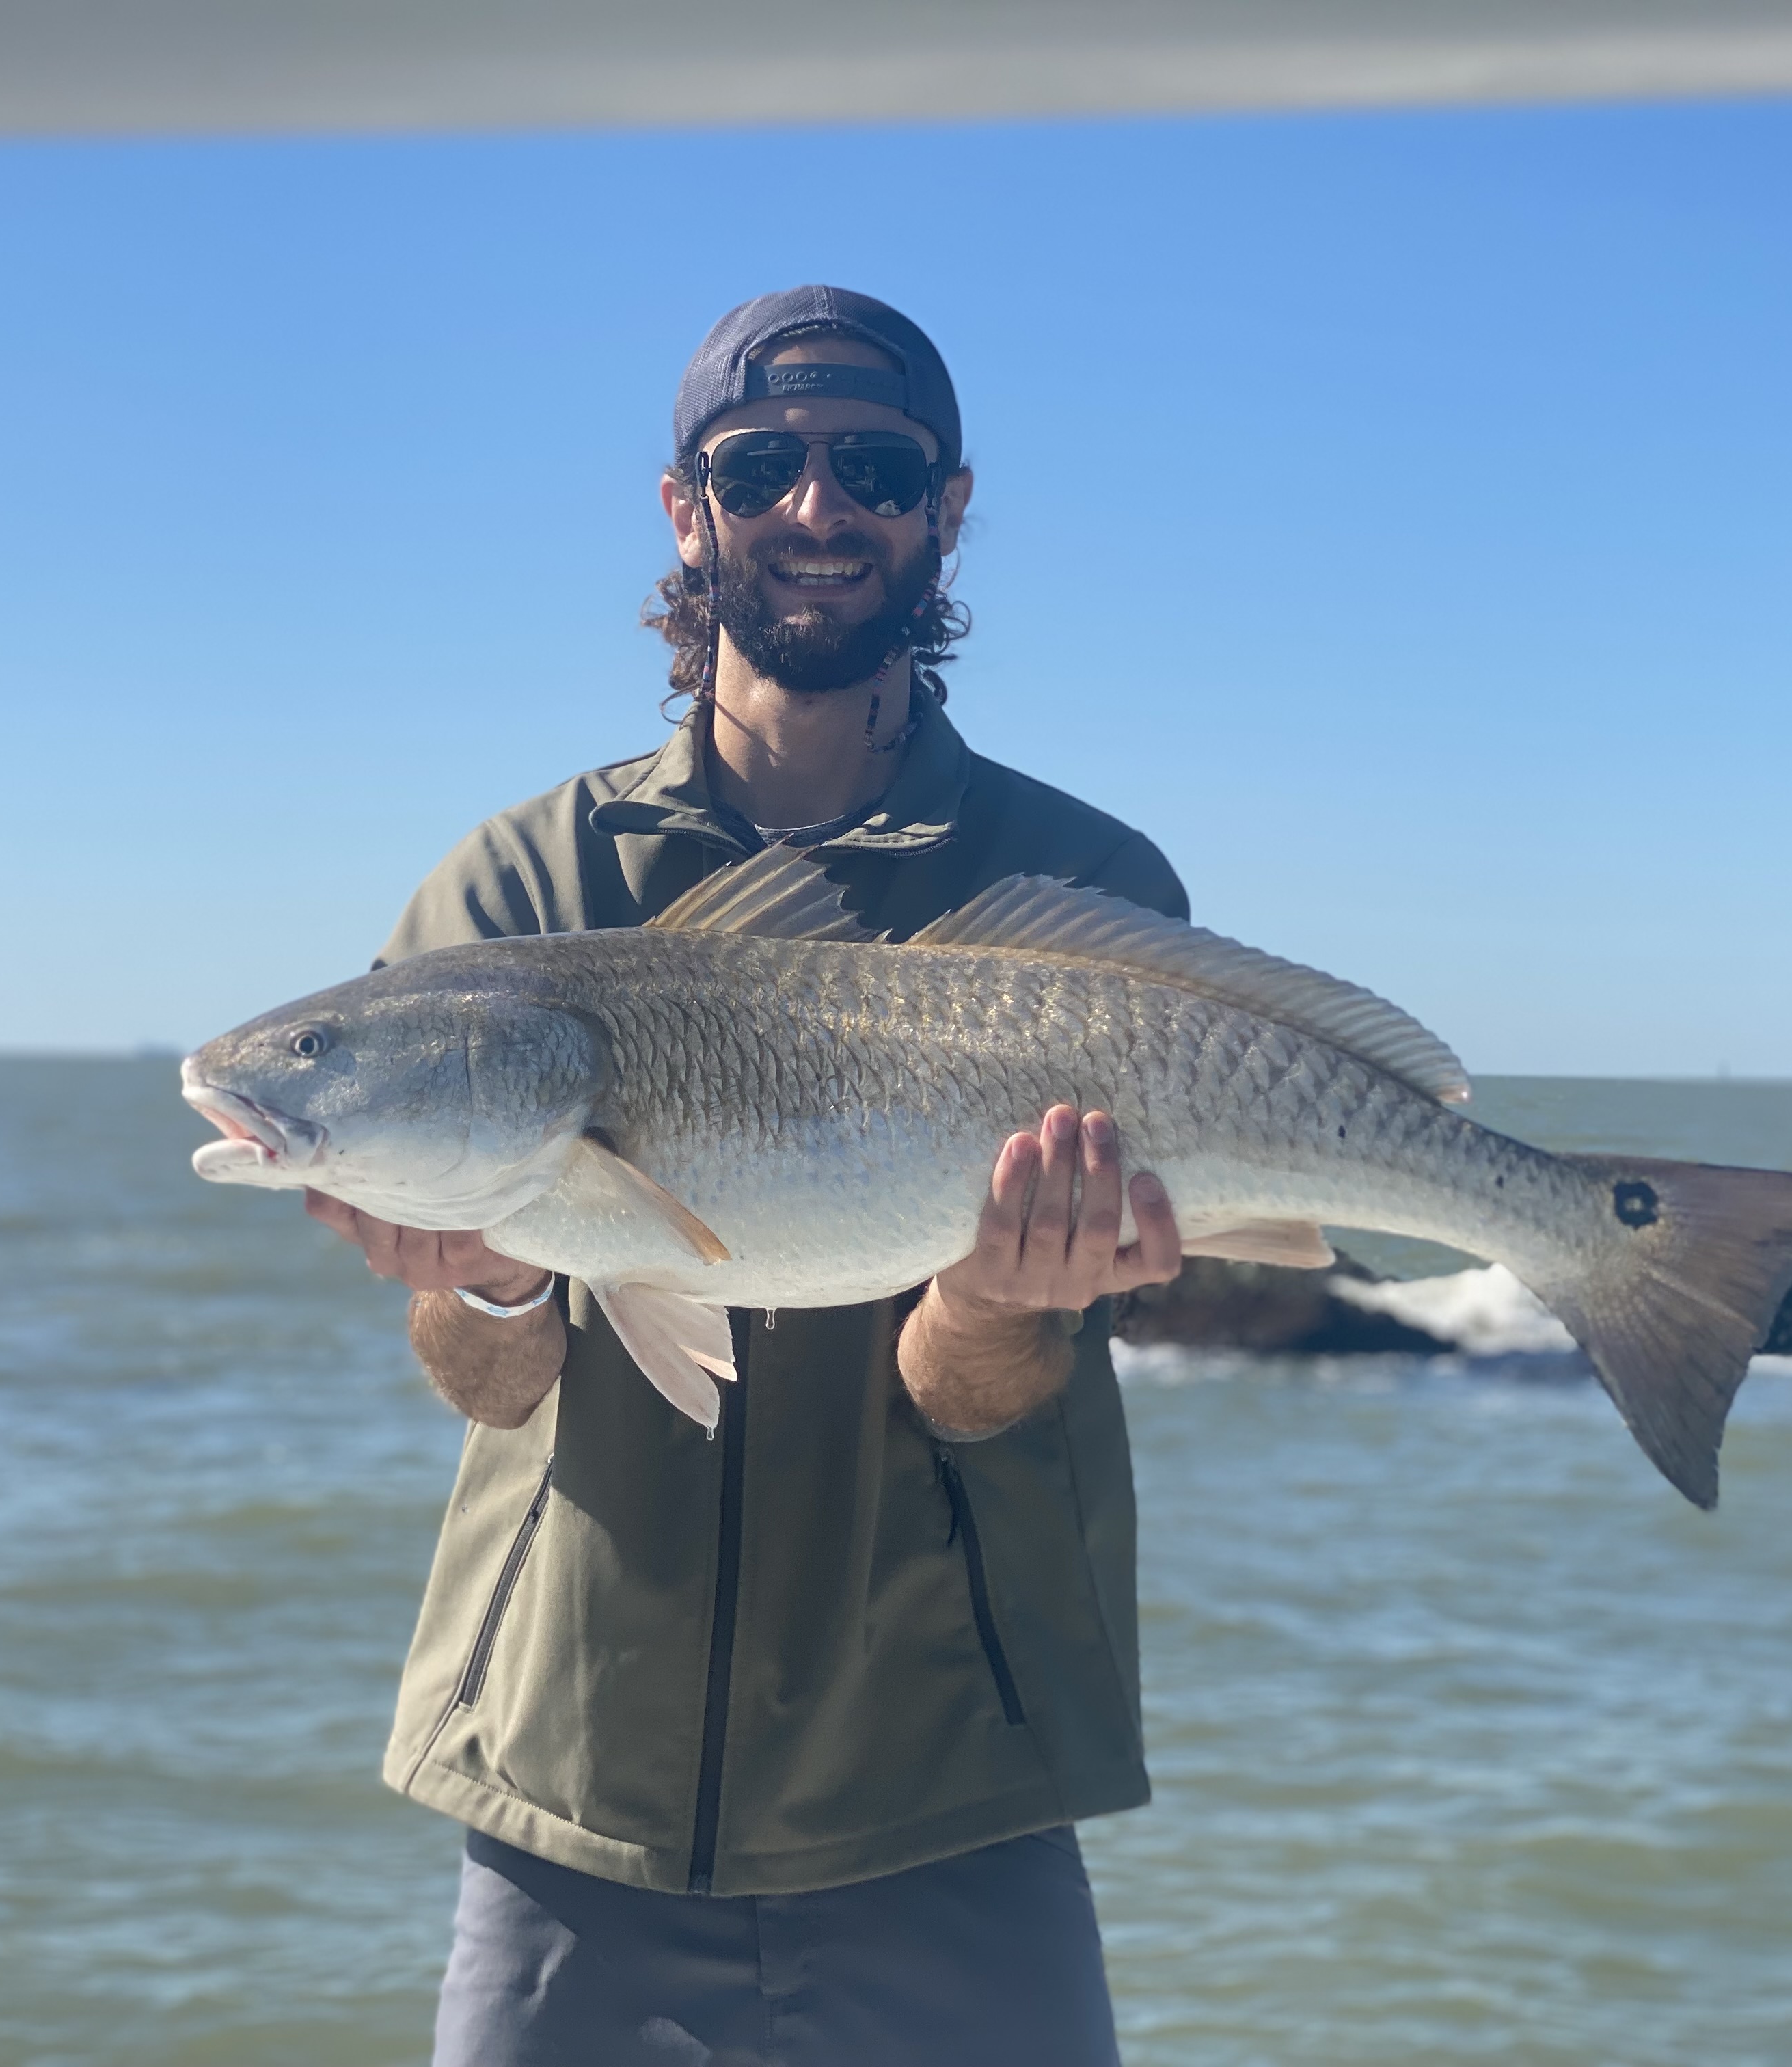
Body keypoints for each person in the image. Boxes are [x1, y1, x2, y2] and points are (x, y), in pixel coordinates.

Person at [306, 285, 1191, 2067]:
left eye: (872, 467)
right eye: (760, 464)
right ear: (684, 507)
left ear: (944, 508)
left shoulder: (1078, 893)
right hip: (573, 1790)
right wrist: (477, 1274)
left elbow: (980, 1392)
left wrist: (995, 1296)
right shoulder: (515, 896)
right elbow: (493, 1384)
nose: (816, 507)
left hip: (952, 1790)